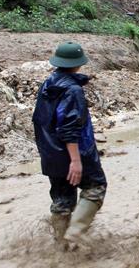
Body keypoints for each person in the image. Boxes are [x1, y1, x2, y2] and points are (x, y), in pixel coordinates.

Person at [32, 42, 107, 248]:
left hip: (51, 154)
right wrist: (75, 160)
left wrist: (50, 154)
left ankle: (61, 246)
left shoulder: (48, 85)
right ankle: (75, 232)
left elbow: (39, 120)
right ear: (78, 64)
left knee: (62, 198)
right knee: (96, 187)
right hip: (76, 152)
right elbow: (69, 127)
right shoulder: (73, 90)